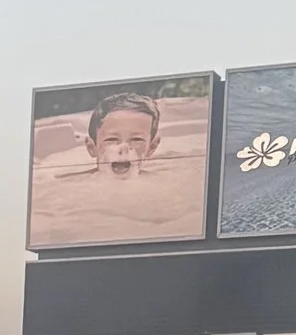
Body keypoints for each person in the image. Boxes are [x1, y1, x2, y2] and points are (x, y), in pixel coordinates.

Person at [29, 83, 208, 247]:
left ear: (152, 147)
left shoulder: (168, 186)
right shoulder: (65, 185)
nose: (123, 148)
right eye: (112, 140)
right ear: (92, 147)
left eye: (136, 140)